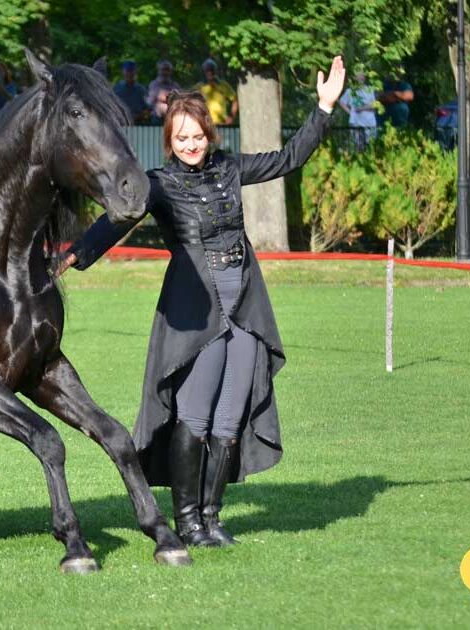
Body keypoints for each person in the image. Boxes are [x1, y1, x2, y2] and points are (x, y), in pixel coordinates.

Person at [59, 57, 346, 548]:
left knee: (231, 417)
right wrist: (75, 254)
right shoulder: (159, 184)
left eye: (197, 137)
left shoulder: (230, 169)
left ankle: (212, 518)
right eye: (181, 139)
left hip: (245, 310)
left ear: (209, 135)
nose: (190, 146)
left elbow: (288, 158)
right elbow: (115, 221)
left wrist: (323, 107)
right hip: (199, 313)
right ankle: (187, 520)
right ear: (170, 142)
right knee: (195, 415)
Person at [338, 71, 378, 149]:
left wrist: (361, 108)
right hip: (356, 121)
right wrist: (350, 112)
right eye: (359, 75)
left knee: (370, 144)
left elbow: (374, 105)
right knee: (357, 143)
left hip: (369, 120)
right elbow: (341, 102)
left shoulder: (369, 90)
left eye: (362, 75)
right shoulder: (350, 91)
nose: (361, 77)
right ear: (355, 78)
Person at [196, 58, 238, 125]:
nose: (210, 72)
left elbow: (235, 100)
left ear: (215, 71)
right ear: (204, 72)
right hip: (205, 123)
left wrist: (232, 117)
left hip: (222, 123)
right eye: (207, 70)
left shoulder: (223, 85)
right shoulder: (199, 87)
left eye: (212, 70)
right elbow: (189, 101)